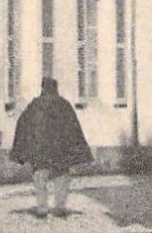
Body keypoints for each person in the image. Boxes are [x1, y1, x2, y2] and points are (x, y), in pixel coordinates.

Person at [9, 77, 93, 218]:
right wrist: (78, 152)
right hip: (61, 151)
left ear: (42, 88)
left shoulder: (34, 106)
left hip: (40, 152)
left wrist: (23, 150)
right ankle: (59, 207)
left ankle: (42, 207)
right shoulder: (64, 105)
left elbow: (22, 125)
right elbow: (74, 129)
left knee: (40, 177)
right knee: (61, 176)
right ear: (56, 88)